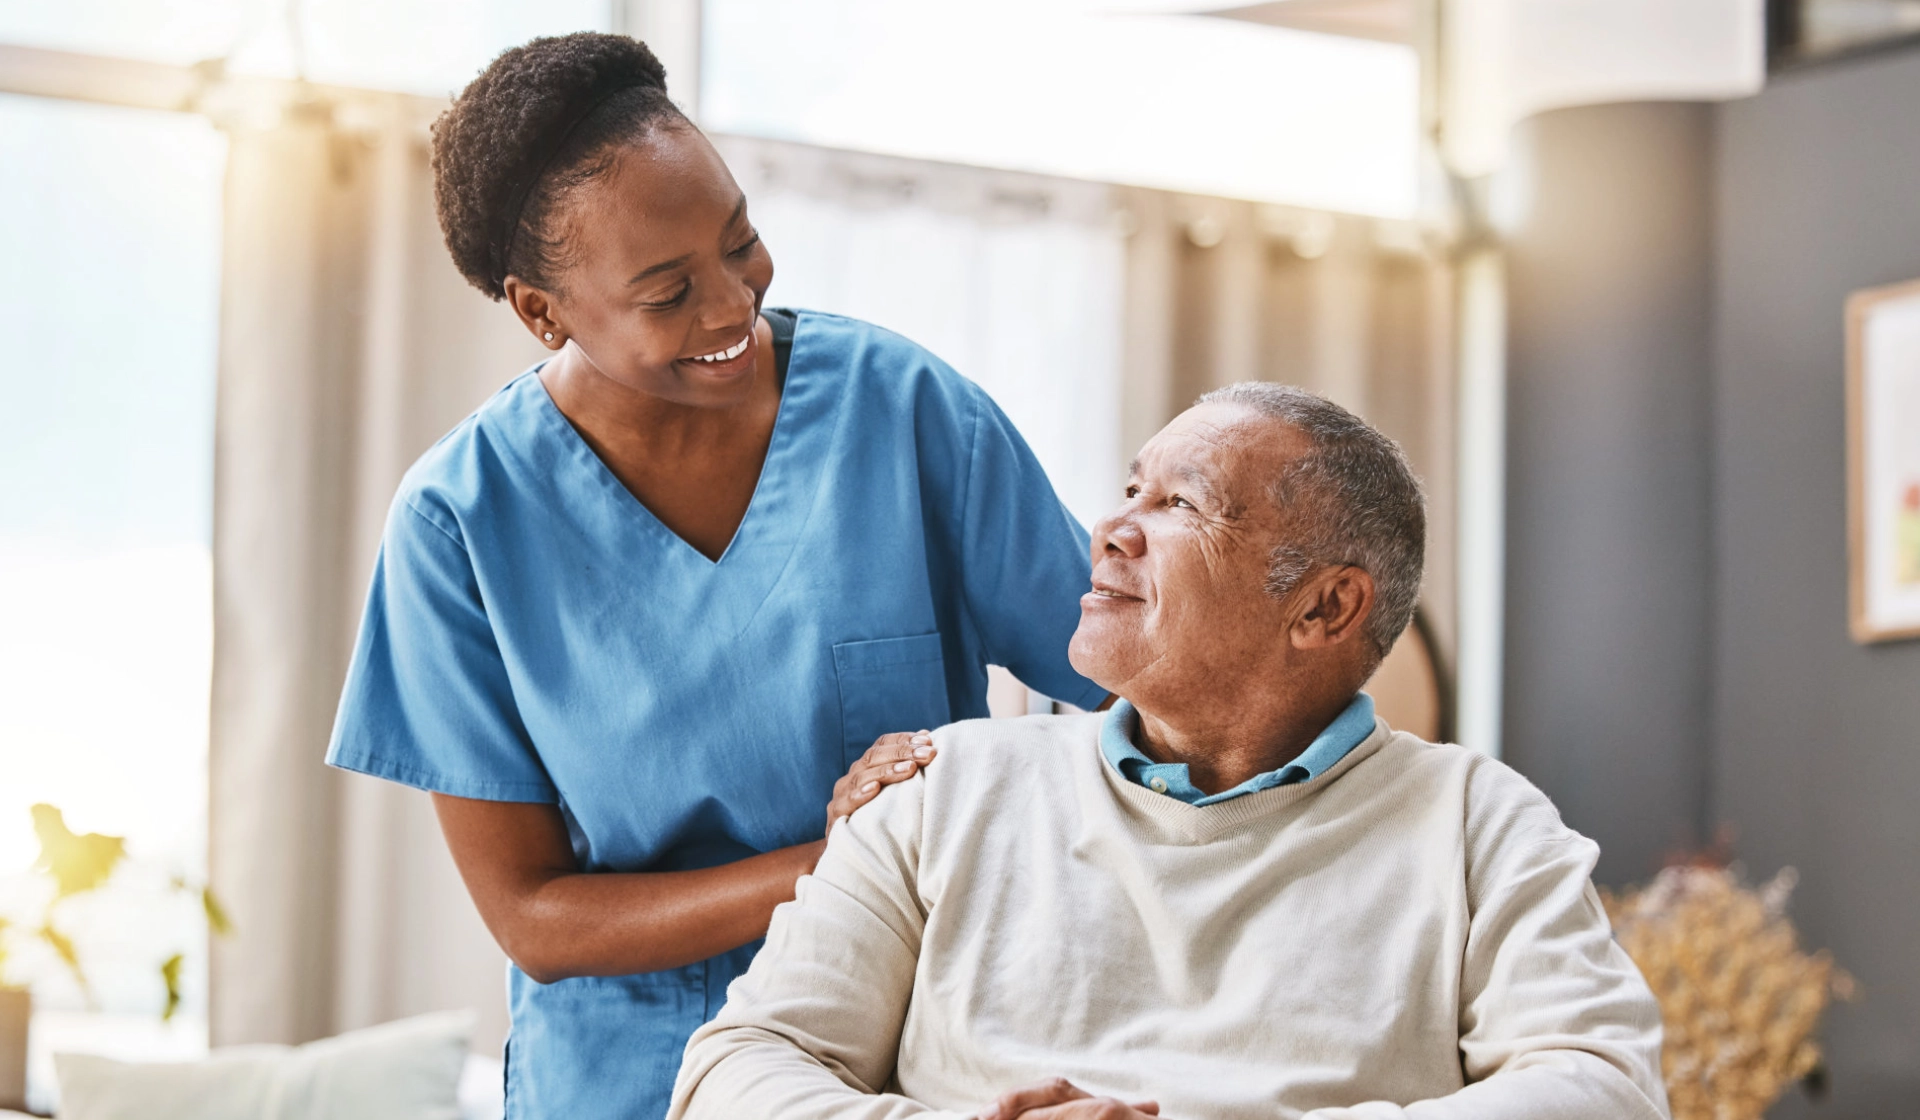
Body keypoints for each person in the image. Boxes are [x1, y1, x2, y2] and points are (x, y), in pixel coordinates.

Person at [322, 32, 1107, 1120]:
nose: (733, 304)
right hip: (629, 1082)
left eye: (741, 242)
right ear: (542, 311)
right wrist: (850, 853)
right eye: (667, 291)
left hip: (916, 1061)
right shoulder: (459, 523)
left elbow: (1133, 683)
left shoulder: (903, 411)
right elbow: (535, 919)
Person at [669, 383, 1671, 1120]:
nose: (1109, 529)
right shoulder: (944, 786)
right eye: (1130, 490)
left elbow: (1605, 1087)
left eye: (1179, 506)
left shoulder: (1476, 822)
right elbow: (734, 1072)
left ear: (1325, 606)